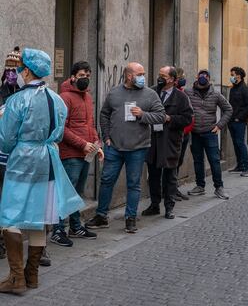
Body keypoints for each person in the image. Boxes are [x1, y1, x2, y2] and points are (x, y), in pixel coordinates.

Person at [0, 48, 84, 294]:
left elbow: (5, 139)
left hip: (23, 160)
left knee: (10, 217)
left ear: (27, 70)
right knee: (39, 218)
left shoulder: (17, 100)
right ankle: (31, 275)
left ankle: (16, 278)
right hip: (48, 159)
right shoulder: (57, 99)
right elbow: (58, 133)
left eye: (21, 68)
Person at [85, 62, 165, 233]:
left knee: (134, 184)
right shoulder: (114, 92)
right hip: (113, 147)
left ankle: (130, 218)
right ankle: (101, 216)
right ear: (129, 76)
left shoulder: (150, 95)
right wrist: (106, 136)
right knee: (106, 181)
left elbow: (161, 116)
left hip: (138, 148)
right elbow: (104, 114)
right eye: (140, 74)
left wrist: (143, 115)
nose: (144, 77)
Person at [49, 61, 103, 247]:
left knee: (76, 193)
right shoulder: (64, 97)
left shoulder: (87, 97)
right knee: (65, 193)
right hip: (70, 153)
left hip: (86, 152)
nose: (85, 79)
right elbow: (61, 129)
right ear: (72, 77)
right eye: (81, 75)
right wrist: (82, 144)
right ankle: (57, 230)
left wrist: (96, 145)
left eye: (88, 75)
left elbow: (90, 124)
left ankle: (75, 226)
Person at [142, 66, 192, 219]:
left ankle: (169, 207)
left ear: (172, 79)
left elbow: (187, 118)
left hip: (170, 141)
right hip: (153, 140)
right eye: (159, 74)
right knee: (153, 175)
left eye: (163, 75)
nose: (159, 78)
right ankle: (154, 204)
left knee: (170, 175)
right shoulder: (151, 92)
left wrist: (170, 119)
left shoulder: (181, 97)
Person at [185, 70, 232, 200]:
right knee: (198, 161)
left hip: (210, 132)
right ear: (196, 77)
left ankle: (219, 187)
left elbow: (228, 109)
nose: (203, 78)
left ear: (209, 79)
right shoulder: (188, 93)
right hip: (195, 133)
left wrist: (219, 125)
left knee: (214, 161)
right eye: (201, 75)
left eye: (206, 76)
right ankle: (200, 186)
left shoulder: (216, 94)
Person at [0, 46, 21, 260]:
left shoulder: (28, 95)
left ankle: (37, 247)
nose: (11, 73)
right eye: (9, 68)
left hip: (23, 157)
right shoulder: (1, 94)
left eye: (15, 68)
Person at [228, 66, 248, 177]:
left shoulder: (246, 89)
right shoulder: (233, 89)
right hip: (231, 120)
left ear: (238, 75)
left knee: (240, 143)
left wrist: (239, 117)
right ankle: (239, 166)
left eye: (232, 75)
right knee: (236, 143)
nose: (231, 77)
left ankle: (247, 168)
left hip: (240, 121)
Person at [174, 67, 193, 201]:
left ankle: (174, 188)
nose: (184, 79)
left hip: (185, 133)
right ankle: (170, 189)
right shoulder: (175, 94)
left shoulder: (183, 92)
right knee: (173, 162)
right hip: (177, 133)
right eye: (182, 77)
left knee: (179, 162)